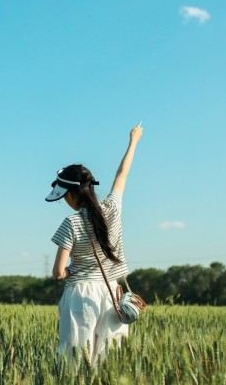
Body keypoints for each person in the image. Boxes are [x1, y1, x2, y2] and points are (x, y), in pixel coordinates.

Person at [45, 123, 143, 364]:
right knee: (108, 360)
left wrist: (70, 271)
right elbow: (122, 174)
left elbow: (58, 272)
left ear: (69, 194)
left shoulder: (71, 223)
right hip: (112, 292)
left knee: (75, 360)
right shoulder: (113, 209)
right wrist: (134, 141)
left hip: (80, 294)